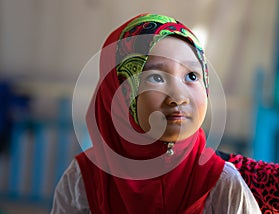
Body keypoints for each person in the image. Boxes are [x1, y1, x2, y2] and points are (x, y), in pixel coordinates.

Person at [51, 13, 261, 213]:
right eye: (156, 78)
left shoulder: (222, 184)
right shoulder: (83, 180)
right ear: (120, 92)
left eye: (192, 76)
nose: (179, 97)